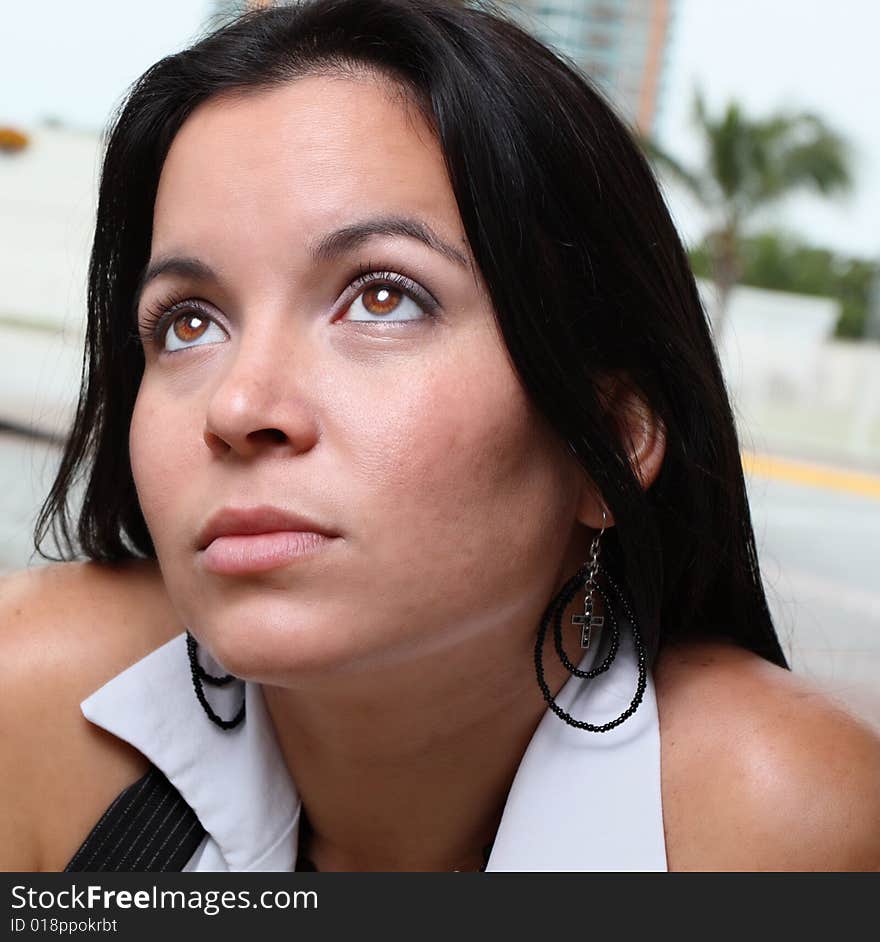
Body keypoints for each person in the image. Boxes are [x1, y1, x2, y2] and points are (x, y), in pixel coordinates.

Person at [2, 0, 879, 873]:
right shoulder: (35, 706)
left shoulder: (778, 823)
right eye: (188, 322)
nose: (237, 408)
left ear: (604, 443)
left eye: (383, 296)